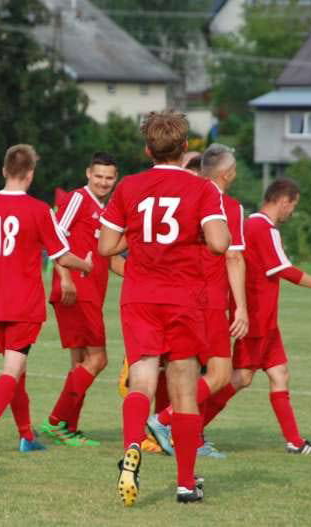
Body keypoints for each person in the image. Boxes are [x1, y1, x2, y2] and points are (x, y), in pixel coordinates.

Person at [98, 110, 229, 506]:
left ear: (147, 149)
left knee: (140, 380)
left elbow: (106, 247)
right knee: (184, 392)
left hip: (139, 296)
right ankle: (186, 484)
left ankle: (130, 452)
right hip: (184, 298)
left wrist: (135, 239)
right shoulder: (203, 189)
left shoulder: (129, 187)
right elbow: (220, 243)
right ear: (185, 147)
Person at [0, 144, 93, 454]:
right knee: (12, 371)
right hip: (25, 304)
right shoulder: (39, 210)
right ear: (30, 174)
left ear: (4, 171)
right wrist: (87, 264)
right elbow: (63, 256)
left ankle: (26, 436)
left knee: (18, 371)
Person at [194, 178, 311, 455]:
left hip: (265, 319)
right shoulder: (263, 227)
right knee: (239, 377)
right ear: (283, 201)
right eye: (293, 205)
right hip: (256, 317)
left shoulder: (249, 223)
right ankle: (186, 426)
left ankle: (295, 441)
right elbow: (284, 269)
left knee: (279, 374)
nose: (292, 212)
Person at [146, 143, 249, 459]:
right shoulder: (227, 205)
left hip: (175, 296)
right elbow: (233, 256)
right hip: (211, 300)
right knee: (218, 373)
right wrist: (241, 307)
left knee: (184, 369)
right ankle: (166, 421)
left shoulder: (183, 195)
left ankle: (188, 437)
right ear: (227, 173)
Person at [40, 152, 125, 447]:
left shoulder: (108, 208)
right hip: (76, 289)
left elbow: (111, 259)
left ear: (116, 179)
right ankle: (55, 420)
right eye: (98, 176)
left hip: (90, 293)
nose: (103, 182)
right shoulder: (77, 198)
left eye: (109, 177)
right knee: (98, 359)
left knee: (81, 362)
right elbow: (55, 237)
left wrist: (146, 277)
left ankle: (68, 427)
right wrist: (64, 278)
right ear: (88, 173)